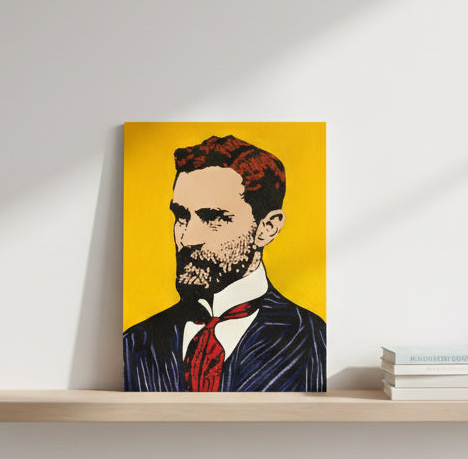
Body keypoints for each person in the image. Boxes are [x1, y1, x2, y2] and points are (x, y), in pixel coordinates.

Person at [123, 134, 326, 391]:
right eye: (182, 216)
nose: (187, 238)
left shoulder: (314, 340)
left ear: (267, 228)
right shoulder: (135, 342)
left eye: (213, 218)